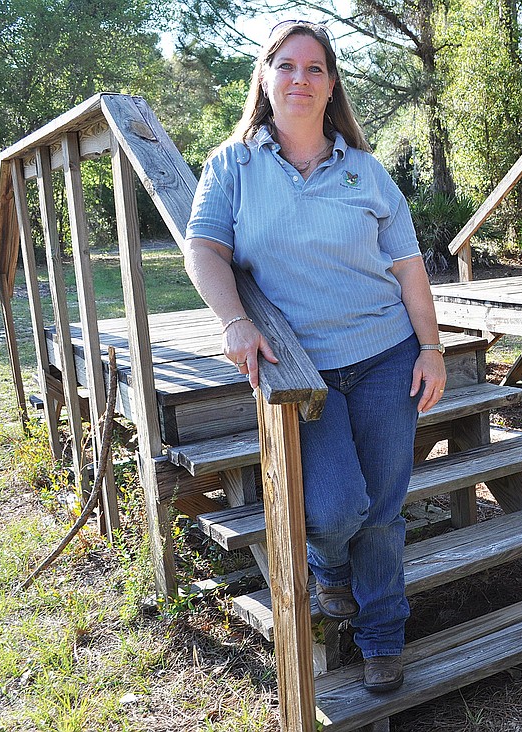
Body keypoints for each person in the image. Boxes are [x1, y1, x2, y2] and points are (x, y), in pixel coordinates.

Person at [183, 19, 447, 693]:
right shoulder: (233, 166)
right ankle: (330, 568)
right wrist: (235, 321)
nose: (300, 78)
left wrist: (431, 348)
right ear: (265, 78)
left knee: (382, 512)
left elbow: (409, 269)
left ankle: (382, 636)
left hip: (387, 356)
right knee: (333, 510)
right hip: (302, 370)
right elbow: (204, 250)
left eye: (315, 68)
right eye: (286, 65)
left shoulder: (366, 171)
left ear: (331, 87)